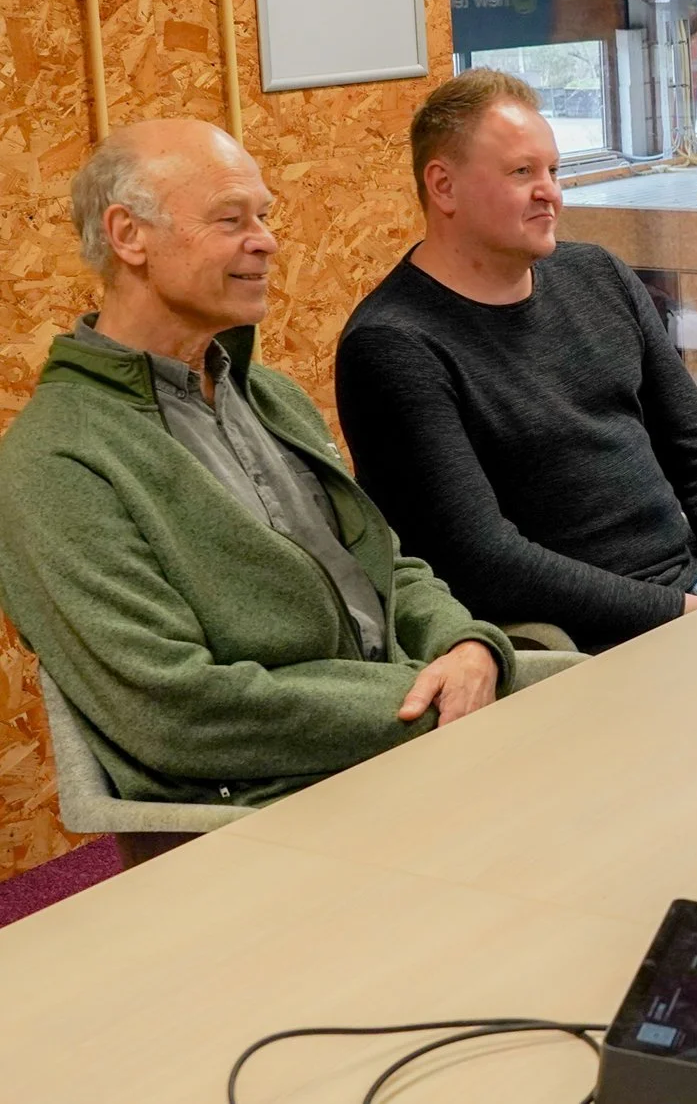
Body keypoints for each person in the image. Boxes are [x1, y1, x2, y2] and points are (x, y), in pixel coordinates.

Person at [0, 122, 517, 808]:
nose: (267, 240)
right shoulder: (56, 460)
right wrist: (430, 699)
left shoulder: (269, 395)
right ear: (129, 236)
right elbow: (175, 711)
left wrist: (467, 647)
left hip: (408, 736)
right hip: (283, 802)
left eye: (265, 216)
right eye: (231, 219)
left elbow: (387, 569)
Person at [336, 71, 697, 654]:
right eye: (522, 172)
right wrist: (686, 614)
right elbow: (483, 560)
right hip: (584, 639)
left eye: (554, 171)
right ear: (443, 187)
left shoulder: (597, 273)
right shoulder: (393, 345)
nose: (550, 192)